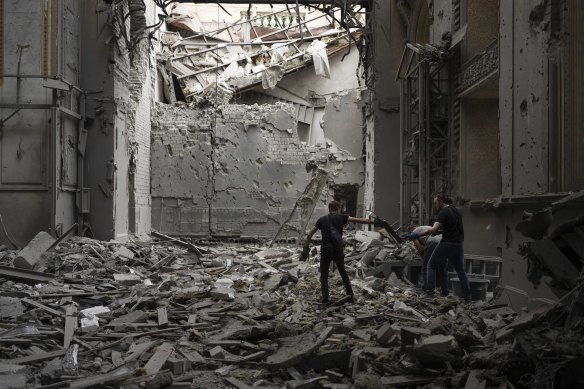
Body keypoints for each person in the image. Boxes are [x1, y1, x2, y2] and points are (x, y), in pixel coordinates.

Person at [303, 200, 375, 304]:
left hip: (325, 250)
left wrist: (305, 248)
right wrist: (375, 222)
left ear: (329, 209)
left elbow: (309, 235)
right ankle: (351, 295)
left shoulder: (321, 219)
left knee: (324, 275)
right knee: (343, 273)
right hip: (337, 249)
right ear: (338, 208)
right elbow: (361, 221)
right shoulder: (342, 217)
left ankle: (325, 299)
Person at [407, 195, 471, 301]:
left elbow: (433, 230)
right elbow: (451, 227)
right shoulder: (457, 211)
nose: (435, 205)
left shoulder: (443, 212)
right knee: (460, 271)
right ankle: (468, 297)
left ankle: (430, 294)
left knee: (430, 265)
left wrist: (416, 235)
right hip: (458, 244)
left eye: (436, 203)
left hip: (447, 243)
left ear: (441, 201)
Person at [409, 219, 443, 293]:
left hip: (435, 243)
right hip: (445, 242)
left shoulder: (413, 234)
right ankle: (443, 290)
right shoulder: (425, 227)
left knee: (426, 267)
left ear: (411, 230)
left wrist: (423, 259)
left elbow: (420, 249)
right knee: (441, 267)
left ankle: (427, 289)